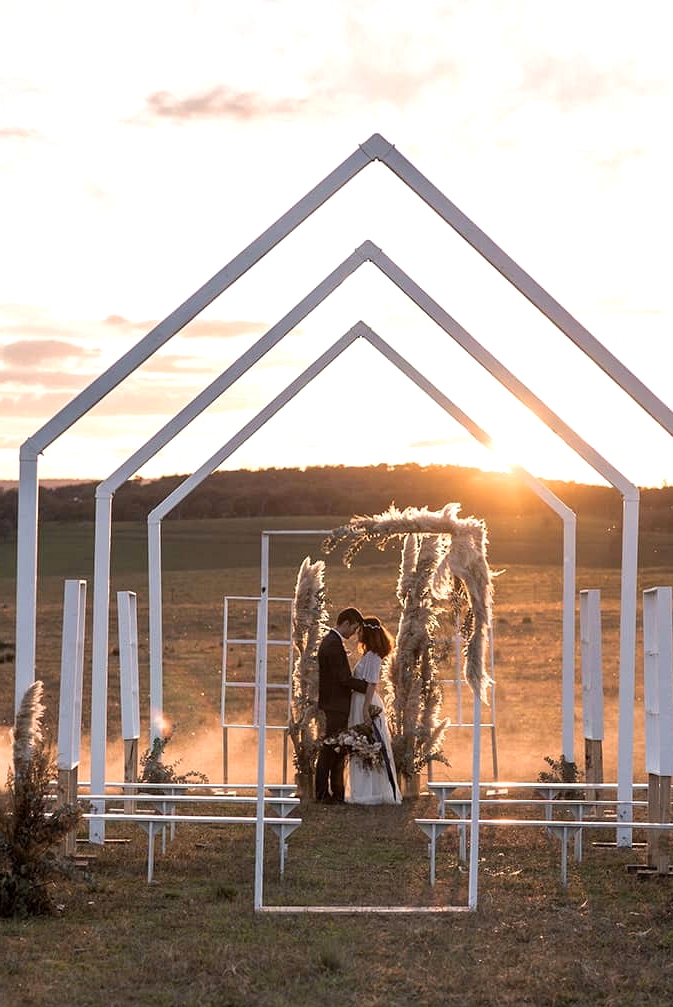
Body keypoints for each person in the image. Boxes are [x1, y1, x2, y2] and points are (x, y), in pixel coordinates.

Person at [345, 616, 401, 806]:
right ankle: (362, 789)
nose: (357, 633)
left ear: (366, 632)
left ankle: (371, 791)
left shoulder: (373, 657)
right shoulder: (368, 655)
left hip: (364, 702)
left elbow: (371, 684)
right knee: (361, 744)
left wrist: (366, 709)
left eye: (360, 630)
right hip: (359, 700)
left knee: (368, 744)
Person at [315, 607, 367, 803]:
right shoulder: (333, 645)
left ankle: (335, 792)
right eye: (353, 629)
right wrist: (367, 686)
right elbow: (343, 678)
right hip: (336, 704)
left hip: (334, 703)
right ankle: (323, 793)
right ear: (345, 623)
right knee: (331, 748)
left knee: (335, 748)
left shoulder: (332, 642)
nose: (353, 634)